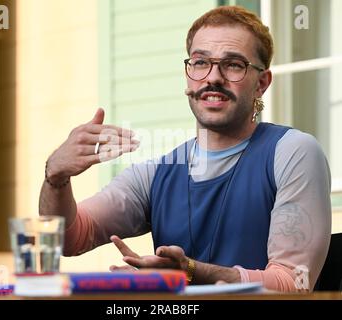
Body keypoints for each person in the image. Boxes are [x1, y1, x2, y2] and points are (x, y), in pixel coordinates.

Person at [39, 6, 331, 292]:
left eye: (233, 65)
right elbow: (68, 240)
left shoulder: (292, 152)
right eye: (201, 62)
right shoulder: (155, 174)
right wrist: (56, 178)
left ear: (261, 84)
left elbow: (292, 285)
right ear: (188, 76)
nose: (213, 77)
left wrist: (189, 273)